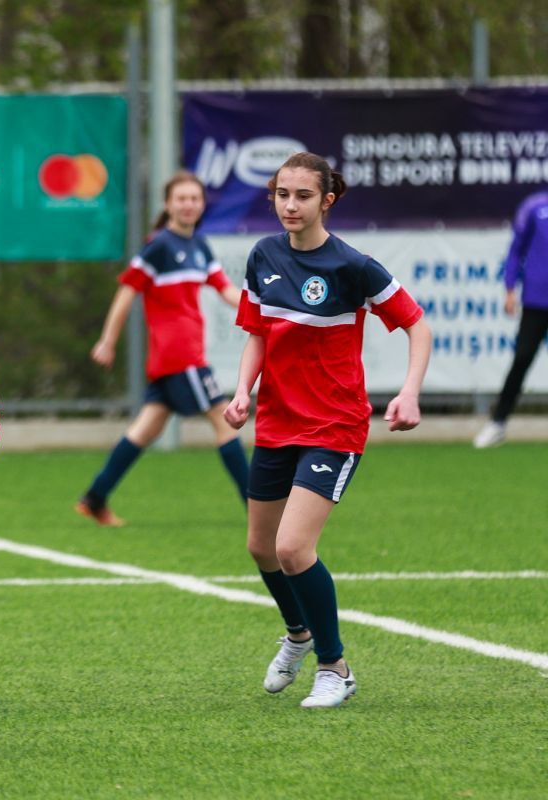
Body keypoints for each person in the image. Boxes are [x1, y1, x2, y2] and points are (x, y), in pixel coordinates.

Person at [224, 152, 430, 708]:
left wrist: (409, 392)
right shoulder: (263, 255)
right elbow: (259, 333)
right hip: (276, 423)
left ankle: (335, 668)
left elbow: (417, 325)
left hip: (333, 425)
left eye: (303, 196)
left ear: (327, 200)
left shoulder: (352, 266)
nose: (290, 205)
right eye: (281, 194)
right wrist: (243, 390)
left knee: (293, 547)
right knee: (261, 548)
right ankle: (298, 634)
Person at [76, 170, 249, 527]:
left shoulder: (199, 246)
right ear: (168, 204)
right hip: (181, 356)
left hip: (171, 359)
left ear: (202, 204)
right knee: (226, 422)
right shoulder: (159, 246)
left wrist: (259, 311)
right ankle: (257, 509)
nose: (188, 205)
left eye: (194, 199)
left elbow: (226, 290)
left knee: (145, 429)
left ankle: (94, 498)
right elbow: (127, 291)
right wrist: (108, 340)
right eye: (181, 198)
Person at [473, 189, 548, 448]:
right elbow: (516, 250)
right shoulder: (535, 206)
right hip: (536, 301)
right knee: (522, 358)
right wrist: (509, 288)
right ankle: (498, 423)